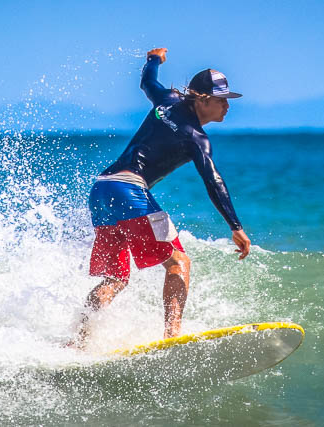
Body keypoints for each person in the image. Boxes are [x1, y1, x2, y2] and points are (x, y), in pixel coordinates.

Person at [71, 47, 251, 348]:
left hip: (101, 190)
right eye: (222, 100)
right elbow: (213, 179)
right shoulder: (196, 137)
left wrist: (154, 59)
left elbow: (147, 82)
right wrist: (235, 225)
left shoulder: (166, 101)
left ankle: (76, 342)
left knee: (116, 278)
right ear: (204, 99)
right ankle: (172, 340)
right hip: (129, 190)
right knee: (179, 261)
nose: (227, 106)